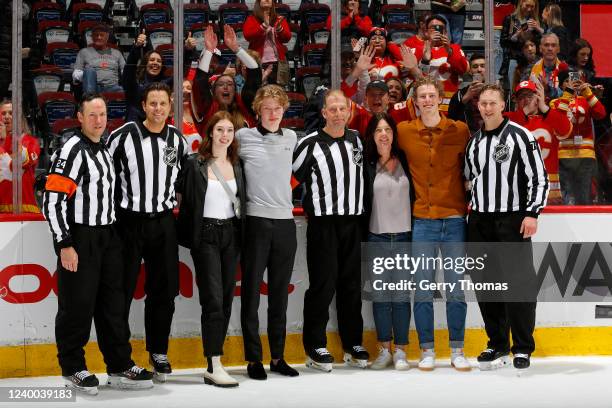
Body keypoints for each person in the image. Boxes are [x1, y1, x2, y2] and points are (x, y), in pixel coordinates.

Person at [42, 93, 154, 395]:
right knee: (77, 306)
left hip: (108, 238)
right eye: (91, 115)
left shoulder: (103, 149)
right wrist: (64, 243)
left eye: (102, 114)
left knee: (112, 306)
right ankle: (72, 367)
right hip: (81, 238)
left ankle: (119, 364)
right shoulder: (72, 149)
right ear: (80, 117)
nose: (98, 120)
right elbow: (52, 202)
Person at [107, 82, 189, 382]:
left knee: (163, 292)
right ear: (144, 105)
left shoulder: (177, 141)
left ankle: (158, 351)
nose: (157, 109)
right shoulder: (122, 136)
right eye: (152, 104)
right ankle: (119, 358)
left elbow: (182, 180)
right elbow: (106, 176)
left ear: (170, 106)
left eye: (163, 104)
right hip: (128, 223)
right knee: (121, 292)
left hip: (163, 223)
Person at [465, 83, 549, 371]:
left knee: (518, 286)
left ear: (503, 105)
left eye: (492, 103)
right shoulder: (474, 142)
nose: (487, 108)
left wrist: (532, 213)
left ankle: (522, 347)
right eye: (483, 103)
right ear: (478, 107)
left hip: (512, 220)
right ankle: (497, 343)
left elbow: (539, 178)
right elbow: (472, 181)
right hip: (479, 222)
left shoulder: (520, 136)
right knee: (487, 287)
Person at [397, 77, 471, 372]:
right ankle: (427, 349)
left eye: (431, 95)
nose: (427, 100)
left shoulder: (459, 130)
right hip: (423, 220)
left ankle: (457, 348)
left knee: (456, 289)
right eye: (422, 96)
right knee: (422, 288)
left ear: (440, 99)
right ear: (414, 101)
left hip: (454, 218)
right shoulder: (404, 131)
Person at [293, 90, 369, 372]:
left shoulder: (357, 141)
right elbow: (291, 180)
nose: (338, 114)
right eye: (332, 109)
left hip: (353, 223)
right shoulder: (309, 144)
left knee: (351, 285)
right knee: (322, 285)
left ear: (349, 111)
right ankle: (315, 346)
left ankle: (353, 343)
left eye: (342, 109)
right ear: (323, 113)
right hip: (323, 225)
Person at [176, 111, 246, 387]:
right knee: (213, 299)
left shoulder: (238, 165)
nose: (225, 135)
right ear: (210, 133)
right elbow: (180, 195)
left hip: (231, 234)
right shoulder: (195, 164)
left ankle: (217, 360)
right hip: (205, 235)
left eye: (229, 130)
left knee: (226, 298)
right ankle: (213, 362)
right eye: (220, 129)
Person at [237, 85, 299, 380]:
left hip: (286, 224)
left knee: (279, 295)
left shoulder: (291, 137)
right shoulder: (242, 137)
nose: (273, 113)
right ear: (258, 111)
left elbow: (295, 175)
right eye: (267, 108)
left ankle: (277, 357)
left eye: (278, 108)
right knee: (251, 293)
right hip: (256, 223)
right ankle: (253, 359)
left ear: (284, 110)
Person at [363, 113, 413, 371]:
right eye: (378, 130)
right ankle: (384, 348)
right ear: (372, 135)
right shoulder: (367, 164)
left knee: (402, 296)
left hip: (404, 237)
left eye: (388, 130)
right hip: (377, 237)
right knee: (381, 296)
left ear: (394, 134)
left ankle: (401, 350)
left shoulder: (405, 159)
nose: (384, 135)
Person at [504, 79, 572, 204]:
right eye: (522, 97)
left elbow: (565, 130)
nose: (526, 100)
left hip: (549, 193)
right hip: (518, 192)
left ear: (539, 96)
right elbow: (502, 132)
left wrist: (544, 108)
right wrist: (524, 112)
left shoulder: (550, 118)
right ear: (516, 101)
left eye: (530, 95)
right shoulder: (510, 119)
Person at [192, 25, 262, 134]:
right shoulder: (207, 108)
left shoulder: (245, 106)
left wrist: (236, 48)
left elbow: (255, 71)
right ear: (213, 91)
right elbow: (200, 81)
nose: (225, 87)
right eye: (220, 84)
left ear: (235, 90)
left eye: (230, 84)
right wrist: (209, 51)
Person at [551, 70, 607, 205]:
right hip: (563, 156)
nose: (572, 82)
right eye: (567, 81)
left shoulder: (586, 99)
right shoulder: (554, 102)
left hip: (585, 155)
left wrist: (588, 92)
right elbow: (557, 121)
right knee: (566, 197)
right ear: (561, 85)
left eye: (576, 79)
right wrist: (568, 93)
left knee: (584, 197)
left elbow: (601, 114)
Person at [121, 29, 197, 121]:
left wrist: (188, 50)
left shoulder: (165, 83)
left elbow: (181, 72)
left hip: (158, 128)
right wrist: (137, 47)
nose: (155, 63)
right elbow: (129, 69)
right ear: (145, 63)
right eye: (152, 60)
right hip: (135, 129)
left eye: (159, 61)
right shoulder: (134, 82)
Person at [409, 15, 469, 114]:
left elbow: (463, 70)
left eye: (440, 28)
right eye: (433, 28)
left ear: (445, 32)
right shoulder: (416, 49)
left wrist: (449, 51)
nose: (436, 31)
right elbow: (413, 78)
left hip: (450, 103)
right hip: (425, 103)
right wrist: (425, 58)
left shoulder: (455, 48)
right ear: (426, 32)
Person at [0, 100, 40, 213]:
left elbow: (16, 164)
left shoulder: (31, 141)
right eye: (3, 114)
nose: (7, 117)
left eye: (11, 113)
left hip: (24, 209)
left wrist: (5, 140)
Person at [243, 0, 291, 86]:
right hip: (258, 62)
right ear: (258, 2)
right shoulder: (252, 19)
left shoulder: (279, 19)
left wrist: (280, 29)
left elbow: (287, 38)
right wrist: (264, 26)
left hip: (277, 62)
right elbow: (248, 35)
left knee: (277, 91)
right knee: (259, 90)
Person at [500, 0, 543, 92]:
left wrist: (538, 29)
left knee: (534, 90)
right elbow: (503, 42)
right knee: (515, 91)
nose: (529, 9)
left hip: (532, 61)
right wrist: (516, 35)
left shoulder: (536, 20)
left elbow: (542, 43)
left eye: (532, 7)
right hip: (515, 60)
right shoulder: (510, 19)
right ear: (521, 3)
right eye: (527, 5)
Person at [72, 23, 125, 94]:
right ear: (92, 37)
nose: (99, 37)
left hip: (112, 87)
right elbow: (76, 74)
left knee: (125, 93)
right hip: (92, 86)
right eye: (96, 35)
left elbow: (125, 71)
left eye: (101, 35)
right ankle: (90, 99)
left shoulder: (117, 53)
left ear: (107, 37)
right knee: (89, 71)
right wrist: (87, 74)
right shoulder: (83, 52)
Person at [448, 53, 486, 134]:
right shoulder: (460, 94)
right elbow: (451, 118)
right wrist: (465, 98)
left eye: (483, 66)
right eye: (475, 67)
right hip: (468, 137)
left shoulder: (496, 92)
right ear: (470, 71)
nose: (479, 69)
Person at [530, 33, 566, 100]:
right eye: (546, 45)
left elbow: (569, 97)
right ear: (540, 48)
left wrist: (548, 89)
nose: (550, 48)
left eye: (553, 45)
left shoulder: (566, 70)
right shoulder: (529, 70)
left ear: (558, 49)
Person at [181, 79, 203, 154]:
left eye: (189, 88)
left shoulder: (202, 116)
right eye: (181, 88)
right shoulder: (170, 118)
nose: (185, 91)